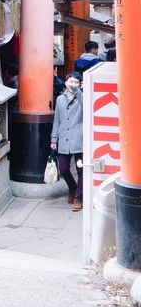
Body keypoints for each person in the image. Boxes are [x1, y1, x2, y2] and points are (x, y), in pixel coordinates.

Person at [51, 72, 83, 211]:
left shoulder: (82, 97)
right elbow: (57, 120)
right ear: (65, 83)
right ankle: (73, 188)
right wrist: (54, 139)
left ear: (80, 84)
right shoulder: (59, 99)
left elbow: (87, 105)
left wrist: (78, 91)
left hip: (79, 138)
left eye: (76, 82)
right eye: (71, 82)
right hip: (64, 137)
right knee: (63, 168)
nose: (73, 84)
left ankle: (79, 198)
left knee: (80, 169)